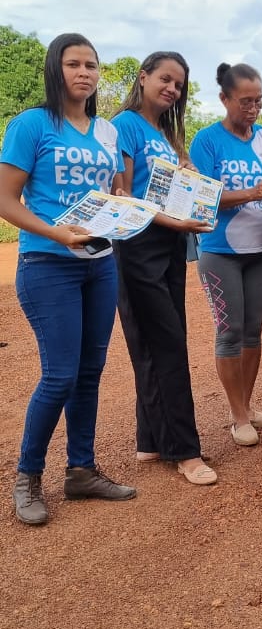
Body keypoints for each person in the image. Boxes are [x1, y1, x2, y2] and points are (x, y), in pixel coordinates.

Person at [0, 32, 136, 525]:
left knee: (89, 373)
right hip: (48, 264)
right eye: (74, 63)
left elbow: (114, 190)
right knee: (59, 374)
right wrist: (57, 234)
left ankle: (81, 471)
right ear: (55, 69)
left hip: (99, 263)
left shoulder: (106, 132)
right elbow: (6, 200)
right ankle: (27, 476)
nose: (84, 73)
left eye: (92, 65)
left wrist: (121, 198)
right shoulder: (32, 124)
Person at [113, 52, 217, 486]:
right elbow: (124, 194)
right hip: (138, 242)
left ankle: (151, 438)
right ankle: (184, 451)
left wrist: (186, 174)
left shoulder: (165, 133)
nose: (172, 88)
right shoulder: (124, 125)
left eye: (179, 84)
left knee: (158, 339)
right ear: (143, 77)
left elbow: (167, 190)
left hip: (170, 241)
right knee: (166, 343)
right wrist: (173, 221)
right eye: (165, 79)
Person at [189, 62, 262, 448]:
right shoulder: (207, 140)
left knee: (252, 331)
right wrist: (251, 192)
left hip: (261, 250)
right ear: (224, 99)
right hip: (219, 251)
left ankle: (246, 404)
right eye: (245, 101)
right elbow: (200, 197)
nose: (253, 108)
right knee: (229, 332)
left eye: (258, 100)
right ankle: (237, 415)